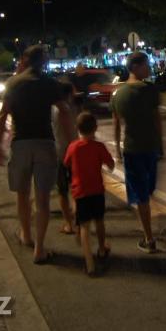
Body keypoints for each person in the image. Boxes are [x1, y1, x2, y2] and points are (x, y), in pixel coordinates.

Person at [0, 46, 74, 264]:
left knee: (22, 195)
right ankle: (39, 249)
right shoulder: (50, 83)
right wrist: (72, 143)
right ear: (43, 62)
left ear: (24, 60)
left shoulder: (13, 83)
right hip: (45, 144)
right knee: (43, 199)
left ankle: (26, 236)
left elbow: (2, 116)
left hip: (20, 144)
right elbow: (65, 111)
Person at [111, 52, 163, 254]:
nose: (149, 68)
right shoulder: (151, 90)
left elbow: (116, 124)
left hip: (132, 150)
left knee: (141, 195)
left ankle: (148, 237)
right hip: (150, 149)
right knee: (146, 192)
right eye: (146, 65)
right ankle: (148, 234)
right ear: (135, 67)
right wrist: (160, 146)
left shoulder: (119, 94)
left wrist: (117, 150)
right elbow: (157, 119)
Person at [63, 112, 114, 277]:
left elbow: (66, 163)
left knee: (84, 226)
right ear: (95, 128)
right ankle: (102, 249)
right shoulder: (99, 147)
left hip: (80, 192)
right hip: (97, 190)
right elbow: (111, 165)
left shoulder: (73, 147)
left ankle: (89, 264)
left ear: (77, 129)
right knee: (99, 221)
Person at [52, 82, 78, 235]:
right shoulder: (65, 109)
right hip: (68, 153)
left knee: (63, 191)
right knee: (72, 188)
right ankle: (75, 222)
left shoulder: (53, 109)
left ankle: (69, 224)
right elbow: (69, 132)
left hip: (58, 152)